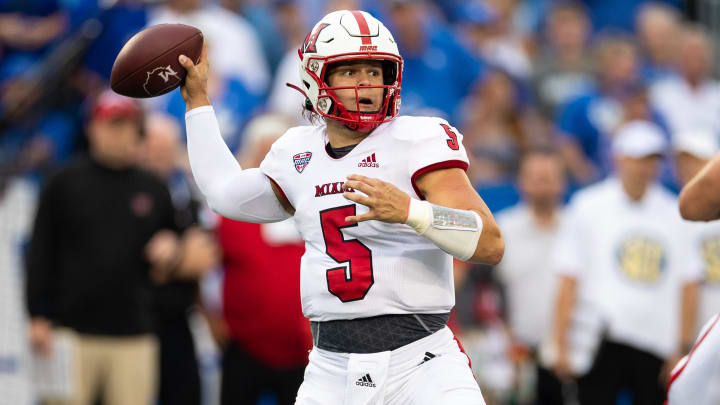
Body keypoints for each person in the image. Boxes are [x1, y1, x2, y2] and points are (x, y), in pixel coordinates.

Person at [178, 9, 504, 405]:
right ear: (317, 77)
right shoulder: (297, 153)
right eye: (350, 71)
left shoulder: (419, 139)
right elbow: (223, 193)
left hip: (422, 362)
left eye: (375, 70)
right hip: (331, 369)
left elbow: (489, 242)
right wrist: (197, 101)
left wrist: (411, 212)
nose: (365, 84)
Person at [26, 91, 199, 405]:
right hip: (71, 332)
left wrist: (173, 246)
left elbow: (182, 238)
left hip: (136, 333)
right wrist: (37, 314)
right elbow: (41, 249)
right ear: (93, 127)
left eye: (126, 125)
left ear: (137, 130)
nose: (118, 134)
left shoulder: (153, 187)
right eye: (111, 124)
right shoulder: (63, 183)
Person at [550, 121, 701, 405]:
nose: (644, 167)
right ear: (618, 158)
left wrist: (680, 347)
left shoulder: (675, 212)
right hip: (599, 336)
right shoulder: (588, 206)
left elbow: (689, 284)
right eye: (638, 158)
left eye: (651, 160)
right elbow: (568, 277)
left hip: (656, 341)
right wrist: (560, 343)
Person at [213, 113, 312, 405]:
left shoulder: (312, 207)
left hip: (306, 350)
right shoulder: (232, 213)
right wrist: (211, 319)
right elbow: (206, 268)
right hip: (245, 347)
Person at [140, 112, 219, 405]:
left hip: (178, 316)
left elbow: (204, 254)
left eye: (167, 148)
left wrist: (172, 259)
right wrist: (175, 261)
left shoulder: (184, 189)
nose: (160, 155)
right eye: (153, 147)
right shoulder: (126, 189)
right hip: (135, 321)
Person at [495, 150, 568, 405]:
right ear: (520, 181)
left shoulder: (578, 230)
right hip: (516, 354)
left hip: (569, 356)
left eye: (547, 177)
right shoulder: (503, 229)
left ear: (562, 182)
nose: (540, 184)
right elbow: (490, 291)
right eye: (534, 177)